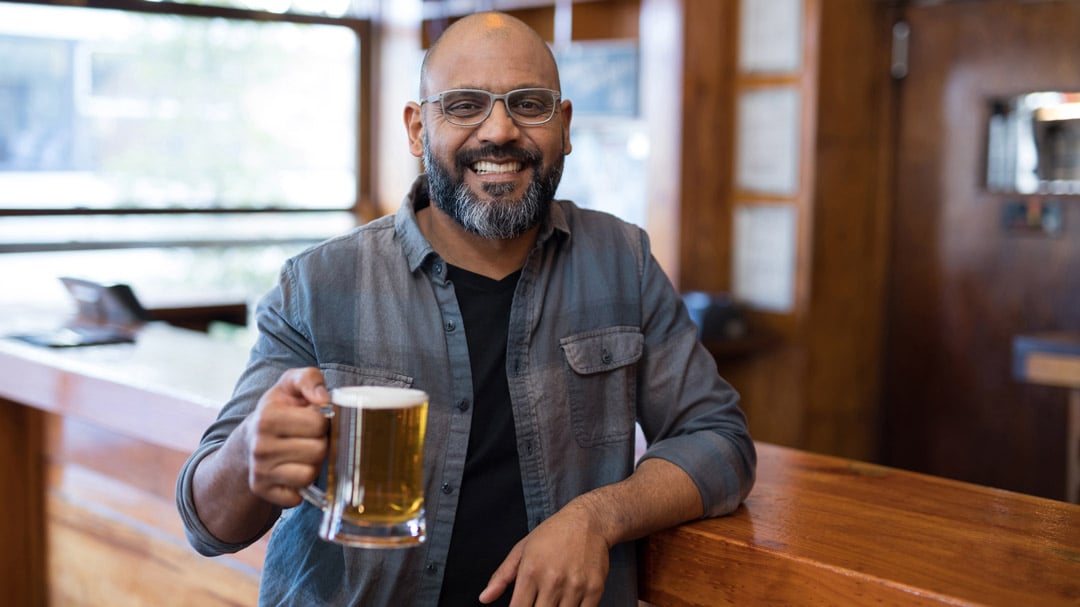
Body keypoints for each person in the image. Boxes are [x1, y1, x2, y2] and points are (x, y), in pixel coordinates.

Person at [176, 11, 755, 607]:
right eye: (463, 105)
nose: (500, 131)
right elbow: (207, 525)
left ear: (565, 125)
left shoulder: (621, 262)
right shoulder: (319, 283)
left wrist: (598, 517)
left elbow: (718, 440)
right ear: (415, 129)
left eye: (529, 104)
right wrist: (249, 454)